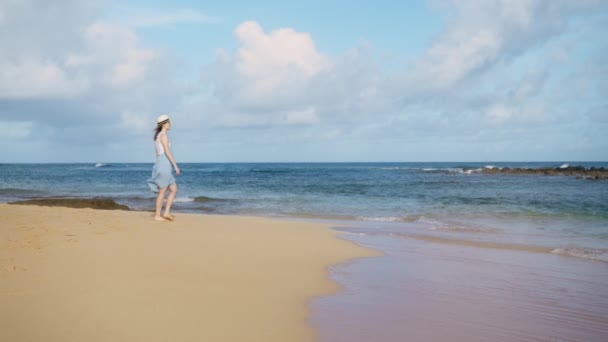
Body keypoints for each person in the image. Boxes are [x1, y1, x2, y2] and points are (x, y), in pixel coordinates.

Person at [147, 114, 181, 221]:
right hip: (165, 165)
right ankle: (157, 216)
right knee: (162, 192)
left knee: (174, 189)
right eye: (169, 122)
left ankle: (166, 213)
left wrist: (159, 165)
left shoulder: (157, 137)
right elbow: (167, 152)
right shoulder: (164, 136)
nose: (170, 124)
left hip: (161, 163)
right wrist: (175, 166)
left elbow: (157, 153)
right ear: (164, 124)